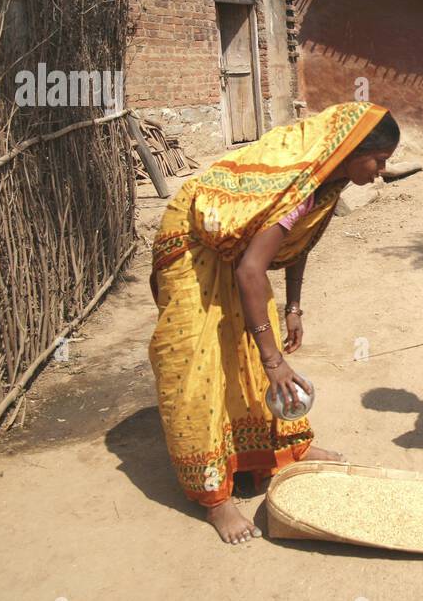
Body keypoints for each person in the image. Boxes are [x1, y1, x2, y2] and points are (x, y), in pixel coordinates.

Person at [148, 103, 400, 544]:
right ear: (352, 150)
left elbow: (294, 244)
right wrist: (274, 362)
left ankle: (279, 450)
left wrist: (293, 307)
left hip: (239, 253)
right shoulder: (297, 185)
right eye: (379, 160)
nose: (381, 171)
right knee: (201, 363)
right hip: (193, 245)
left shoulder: (327, 180)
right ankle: (215, 497)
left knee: (250, 333)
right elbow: (251, 271)